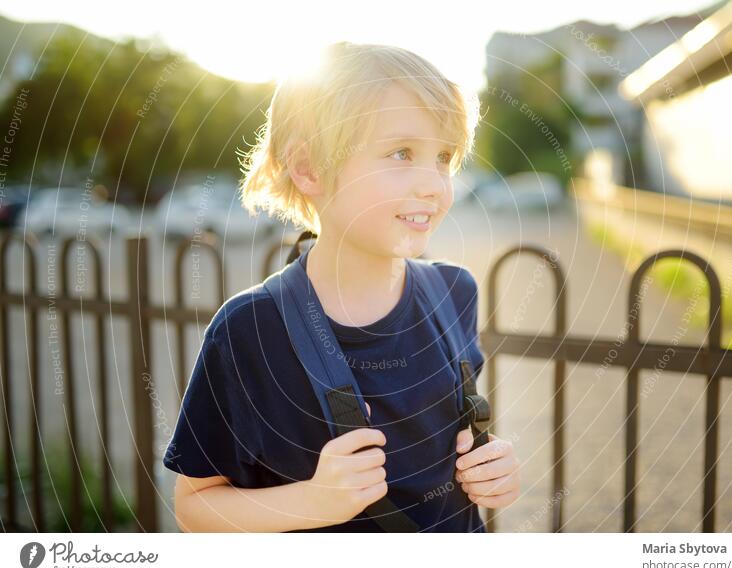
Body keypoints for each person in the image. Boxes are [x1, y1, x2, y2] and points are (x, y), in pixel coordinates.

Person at [163, 41, 520, 532]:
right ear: (309, 168)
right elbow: (194, 507)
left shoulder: (454, 292)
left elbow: (445, 446)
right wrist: (313, 501)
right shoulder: (251, 329)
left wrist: (492, 466)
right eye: (401, 153)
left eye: (444, 157)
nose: (435, 185)